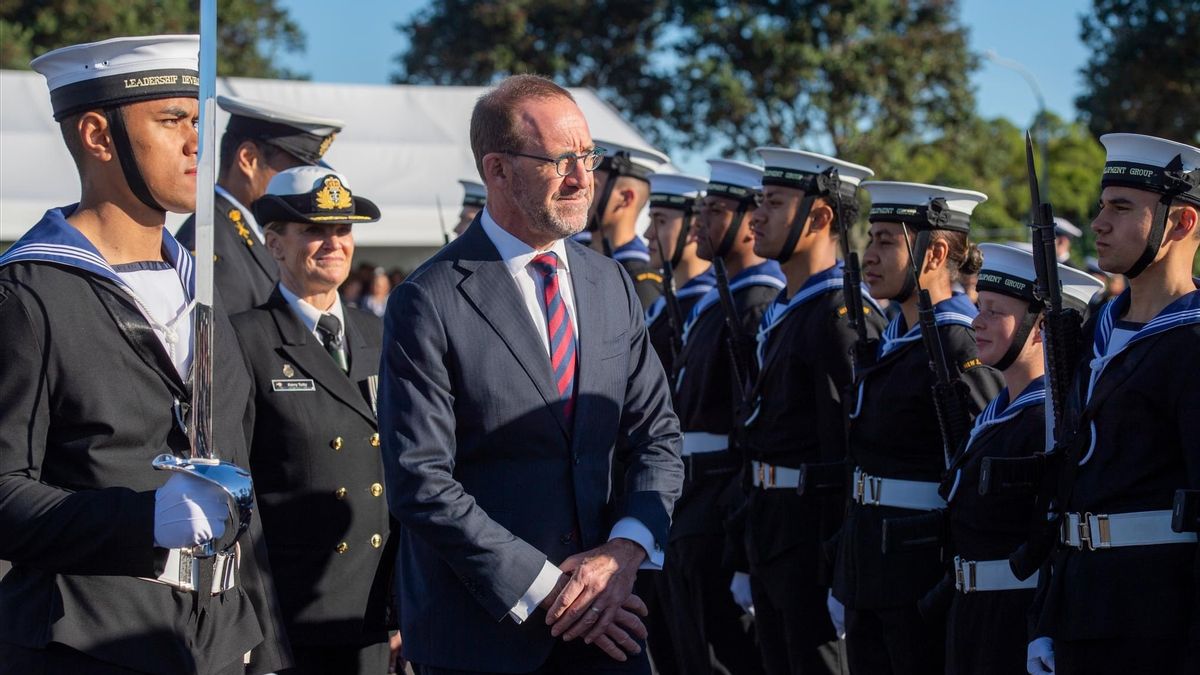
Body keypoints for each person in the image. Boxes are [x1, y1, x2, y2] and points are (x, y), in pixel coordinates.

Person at [0, 35, 290, 674]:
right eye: (171, 121)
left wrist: (266, 648)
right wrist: (144, 519)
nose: (196, 143)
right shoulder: (27, 293)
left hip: (219, 645)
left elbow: (239, 484)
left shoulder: (203, 289)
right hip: (80, 642)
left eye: (198, 121)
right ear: (100, 136)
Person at [378, 74, 684, 675]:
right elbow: (421, 480)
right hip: (485, 635)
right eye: (561, 160)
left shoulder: (611, 284)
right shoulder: (429, 298)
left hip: (608, 623)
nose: (582, 178)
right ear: (497, 171)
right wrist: (550, 589)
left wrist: (625, 550)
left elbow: (658, 437)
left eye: (588, 156)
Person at [1029, 133, 1200, 675]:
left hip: (1158, 626)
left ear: (1182, 223)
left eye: (1121, 207)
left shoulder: (1191, 339)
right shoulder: (1090, 331)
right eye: (1103, 205)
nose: (1099, 222)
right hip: (1081, 611)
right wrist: (1047, 621)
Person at [829, 181, 1003, 675]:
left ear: (936, 252)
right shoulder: (894, 338)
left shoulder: (957, 342)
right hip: (870, 571)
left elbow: (981, 471)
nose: (870, 253)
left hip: (921, 579)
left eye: (887, 240)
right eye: (871, 236)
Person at [231, 167, 399, 674]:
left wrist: (405, 610)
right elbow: (238, 486)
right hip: (291, 612)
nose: (333, 243)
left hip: (374, 609)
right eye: (313, 230)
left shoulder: (380, 332)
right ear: (275, 245)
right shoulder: (245, 339)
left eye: (342, 230)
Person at [734, 148, 886, 675]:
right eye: (758, 201)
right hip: (771, 530)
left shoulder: (841, 316)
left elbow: (848, 450)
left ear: (820, 217)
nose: (757, 215)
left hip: (811, 544)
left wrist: (840, 568)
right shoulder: (789, 310)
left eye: (774, 203)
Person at [941, 244, 1101, 675]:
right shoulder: (999, 414)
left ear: (1041, 326)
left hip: (1016, 623)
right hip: (971, 616)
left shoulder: (1046, 422)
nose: (977, 321)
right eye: (979, 306)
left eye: (995, 310)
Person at [664, 158, 781, 675]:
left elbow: (750, 427)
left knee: (724, 657)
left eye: (714, 211)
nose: (697, 223)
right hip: (693, 501)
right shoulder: (724, 302)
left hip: (720, 504)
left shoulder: (757, 305)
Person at [176, 95, 343, 314]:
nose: (304, 189)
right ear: (248, 159)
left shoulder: (242, 231)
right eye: (292, 174)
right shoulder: (207, 242)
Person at [643, 171, 714, 379]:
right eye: (651, 220)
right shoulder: (666, 302)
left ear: (695, 229)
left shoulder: (704, 304)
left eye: (661, 221)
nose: (648, 233)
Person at [588, 139, 670, 309]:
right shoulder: (578, 255)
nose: (580, 191)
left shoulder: (640, 282)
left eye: (592, 186)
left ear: (625, 198)